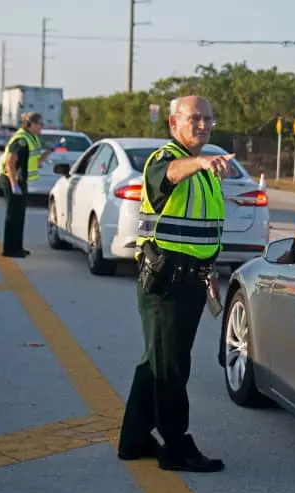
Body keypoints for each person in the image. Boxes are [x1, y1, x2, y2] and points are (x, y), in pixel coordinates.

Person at [117, 95, 235, 473]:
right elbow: (168, 175)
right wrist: (198, 160)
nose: (203, 125)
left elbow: (200, 231)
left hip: (190, 281)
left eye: (208, 119)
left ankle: (134, 439)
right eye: (194, 118)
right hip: (165, 284)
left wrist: (209, 271)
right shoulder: (166, 161)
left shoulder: (202, 170)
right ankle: (176, 446)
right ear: (173, 123)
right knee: (171, 368)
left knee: (157, 361)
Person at [0, 112, 56, 257]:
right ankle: (9, 249)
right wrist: (13, 184)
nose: (42, 127)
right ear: (32, 125)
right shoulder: (21, 140)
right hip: (12, 179)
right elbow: (11, 163)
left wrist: (50, 151)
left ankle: (18, 247)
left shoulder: (32, 138)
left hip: (21, 180)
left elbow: (34, 161)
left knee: (20, 215)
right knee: (13, 215)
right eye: (40, 124)